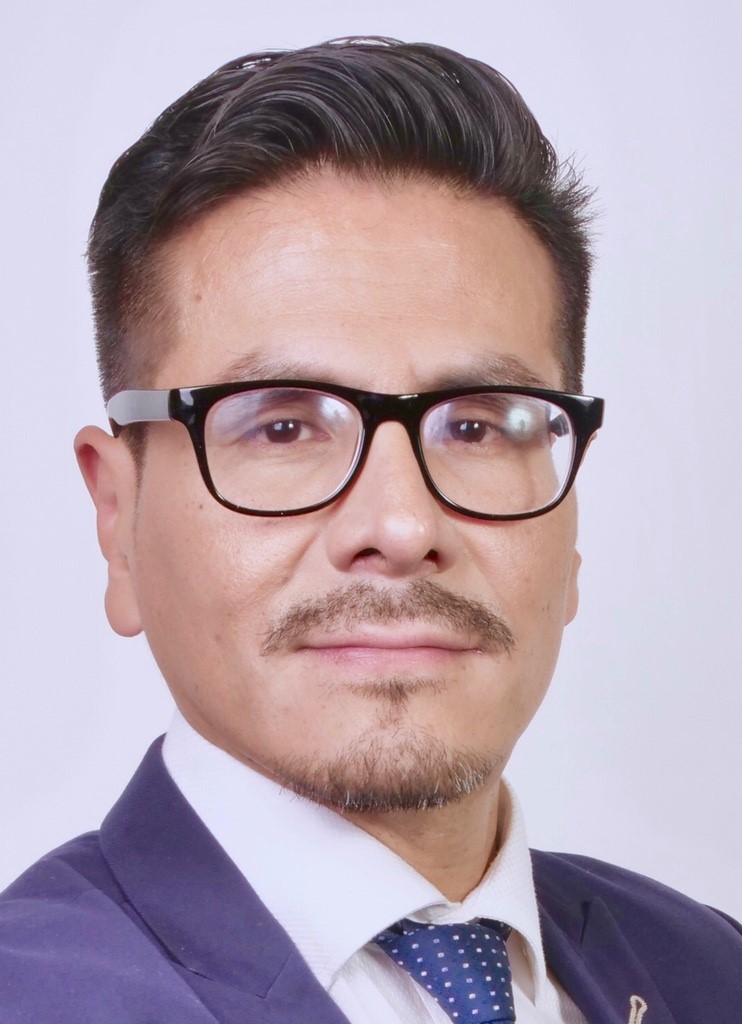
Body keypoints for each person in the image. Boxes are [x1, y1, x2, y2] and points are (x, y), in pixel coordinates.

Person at [0, 36, 739, 1024]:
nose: (399, 524)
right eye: (282, 426)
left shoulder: (709, 970)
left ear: (569, 528)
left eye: (476, 426)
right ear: (118, 521)